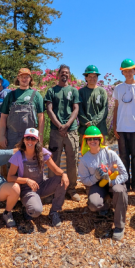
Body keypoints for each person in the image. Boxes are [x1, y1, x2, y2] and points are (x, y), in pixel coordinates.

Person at [7, 128, 68, 226]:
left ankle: (54, 212)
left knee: (62, 181)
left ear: (37, 140)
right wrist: (26, 180)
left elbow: (56, 169)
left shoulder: (42, 152)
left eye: (33, 138)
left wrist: (64, 174)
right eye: (28, 138)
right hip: (27, 190)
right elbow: (10, 177)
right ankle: (27, 207)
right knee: (36, 211)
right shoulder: (18, 155)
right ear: (24, 139)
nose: (30, 141)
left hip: (42, 185)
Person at [78, 126, 129, 241]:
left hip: (114, 181)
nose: (93, 141)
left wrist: (112, 181)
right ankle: (106, 206)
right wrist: (95, 177)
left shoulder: (110, 154)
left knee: (119, 191)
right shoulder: (84, 160)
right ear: (86, 141)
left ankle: (119, 226)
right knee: (93, 204)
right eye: (90, 139)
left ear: (100, 140)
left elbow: (125, 175)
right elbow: (85, 180)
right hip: (97, 185)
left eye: (95, 138)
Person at [112, 59, 135, 195]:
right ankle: (125, 183)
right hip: (121, 128)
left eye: (130, 70)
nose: (128, 73)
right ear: (122, 72)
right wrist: (114, 126)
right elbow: (116, 108)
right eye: (125, 71)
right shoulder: (118, 88)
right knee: (123, 157)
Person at [45, 64, 81, 202]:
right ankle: (52, 190)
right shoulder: (51, 91)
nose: (64, 74)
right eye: (62, 72)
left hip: (71, 132)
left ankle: (71, 189)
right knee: (54, 162)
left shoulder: (74, 91)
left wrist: (66, 125)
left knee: (72, 161)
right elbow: (49, 110)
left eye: (67, 72)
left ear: (69, 75)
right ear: (58, 75)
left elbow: (76, 109)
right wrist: (60, 125)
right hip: (55, 132)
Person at [0, 68, 45, 149]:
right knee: (12, 160)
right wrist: (2, 136)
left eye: (26, 77)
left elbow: (41, 116)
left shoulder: (36, 95)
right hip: (12, 136)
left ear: (30, 78)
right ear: (18, 78)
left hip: (30, 136)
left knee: (29, 160)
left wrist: (40, 135)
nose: (24, 79)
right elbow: (3, 116)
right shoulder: (10, 95)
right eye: (22, 77)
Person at [78, 65, 108, 143]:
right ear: (86, 78)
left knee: (101, 153)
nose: (92, 78)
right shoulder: (81, 92)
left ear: (97, 78)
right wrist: (87, 123)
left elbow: (104, 109)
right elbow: (79, 110)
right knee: (85, 153)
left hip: (100, 127)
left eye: (94, 76)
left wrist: (93, 122)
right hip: (85, 128)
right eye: (90, 76)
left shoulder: (102, 91)